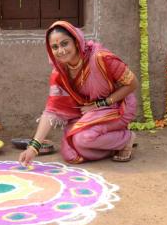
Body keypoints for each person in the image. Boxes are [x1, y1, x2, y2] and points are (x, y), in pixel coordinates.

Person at [19, 21, 138, 166]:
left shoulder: (101, 58)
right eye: (55, 47)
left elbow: (133, 84)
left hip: (118, 106)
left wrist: (100, 104)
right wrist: (34, 147)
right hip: (88, 112)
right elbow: (51, 110)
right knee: (71, 153)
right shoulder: (60, 73)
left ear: (76, 41)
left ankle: (126, 138)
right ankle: (114, 144)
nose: (61, 51)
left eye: (64, 43)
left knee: (83, 139)